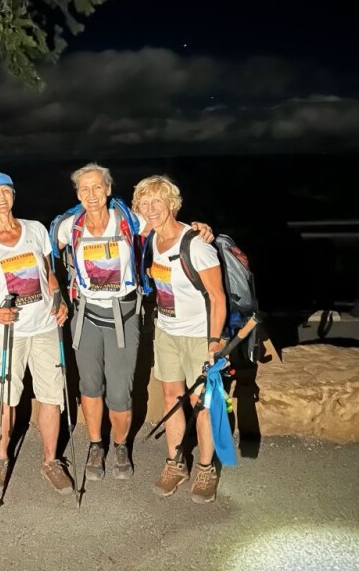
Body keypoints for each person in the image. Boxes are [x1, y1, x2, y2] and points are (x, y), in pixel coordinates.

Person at [54, 163, 213, 482]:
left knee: (121, 393)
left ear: (109, 189)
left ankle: (121, 445)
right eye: (84, 189)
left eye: (97, 187)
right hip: (85, 317)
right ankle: (97, 445)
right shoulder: (69, 226)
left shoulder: (130, 221)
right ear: (77, 194)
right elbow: (41, 253)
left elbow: (168, 228)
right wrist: (56, 294)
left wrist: (201, 229)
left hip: (123, 316)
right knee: (89, 388)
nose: (91, 194)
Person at [0, 172, 73, 495]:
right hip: (8, 333)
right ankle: (2, 459)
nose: (1, 198)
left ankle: (51, 461)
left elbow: (50, 277)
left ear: (14, 196)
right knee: (6, 399)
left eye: (6, 191)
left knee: (51, 396)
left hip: (45, 327)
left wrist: (60, 302)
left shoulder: (35, 230)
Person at [132, 174, 226, 503]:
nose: (151, 208)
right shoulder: (149, 240)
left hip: (199, 335)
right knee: (171, 397)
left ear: (172, 203)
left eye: (157, 201)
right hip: (167, 332)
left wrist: (214, 344)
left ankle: (204, 468)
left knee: (203, 403)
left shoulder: (196, 244)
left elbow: (217, 297)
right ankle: (175, 464)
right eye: (144, 203)